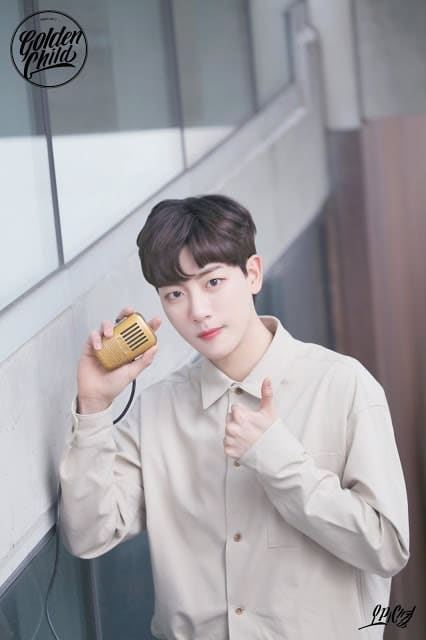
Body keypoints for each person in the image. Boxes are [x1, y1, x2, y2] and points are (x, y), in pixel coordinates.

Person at [59, 194, 409, 640]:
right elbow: (89, 535)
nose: (197, 310)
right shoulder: (156, 410)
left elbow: (387, 548)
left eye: (213, 282)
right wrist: (93, 406)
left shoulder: (342, 386)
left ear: (253, 274)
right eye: (175, 294)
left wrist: (281, 462)